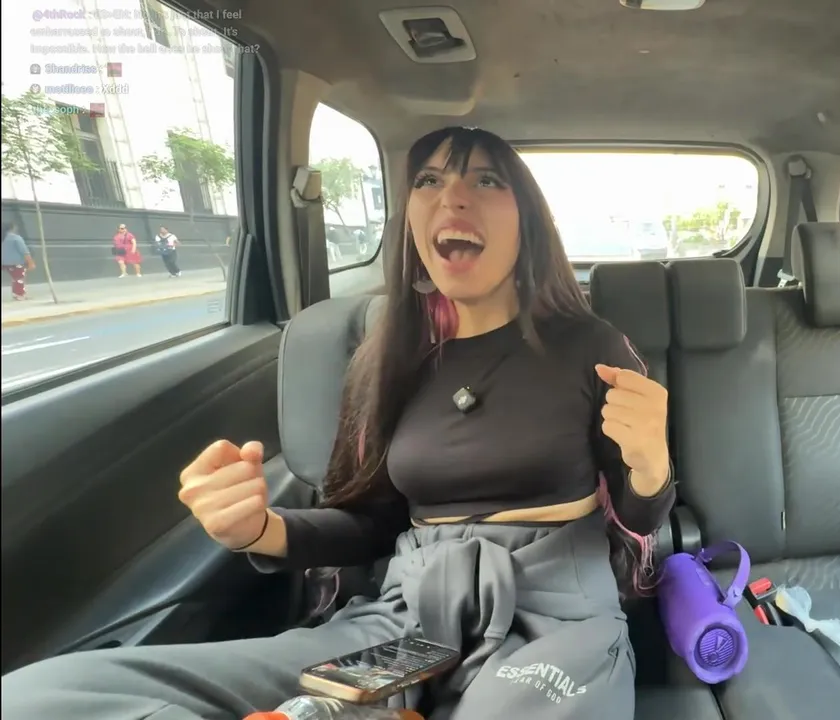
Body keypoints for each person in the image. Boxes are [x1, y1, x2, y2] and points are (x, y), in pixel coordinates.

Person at [0, 127, 675, 720]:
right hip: (407, 617)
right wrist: (259, 530)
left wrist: (651, 465)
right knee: (43, 697)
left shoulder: (590, 345)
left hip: (553, 616)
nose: (452, 197)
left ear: (527, 218)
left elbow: (640, 518)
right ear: (410, 221)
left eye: (486, 180)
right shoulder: (385, 360)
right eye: (429, 181)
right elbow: (372, 524)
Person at [2, 221, 35, 300]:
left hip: (4, 263)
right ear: (12, 228)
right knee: (19, 278)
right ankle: (20, 295)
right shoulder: (16, 238)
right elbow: (24, 251)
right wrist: (31, 262)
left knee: (15, 278)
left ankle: (16, 294)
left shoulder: (3, 238)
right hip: (16, 262)